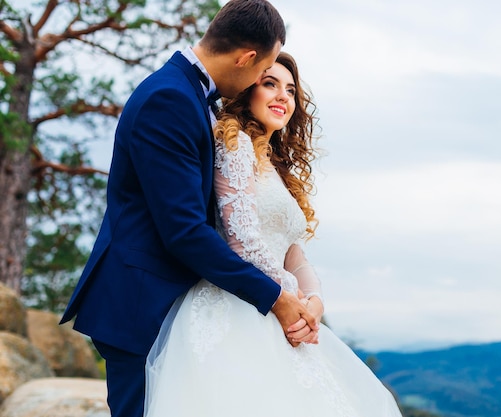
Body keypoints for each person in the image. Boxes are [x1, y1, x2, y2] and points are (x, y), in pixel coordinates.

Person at [59, 2, 318, 417]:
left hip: (167, 302)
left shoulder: (189, 95)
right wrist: (276, 298)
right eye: (263, 72)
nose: (258, 83)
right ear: (246, 58)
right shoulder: (170, 98)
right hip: (140, 305)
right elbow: (183, 230)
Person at [143, 51, 403, 417]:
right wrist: (288, 300)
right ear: (249, 90)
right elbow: (241, 240)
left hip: (283, 303)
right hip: (242, 305)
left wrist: (314, 301)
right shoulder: (234, 146)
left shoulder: (278, 170)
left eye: (291, 90)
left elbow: (294, 253)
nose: (283, 96)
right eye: (270, 84)